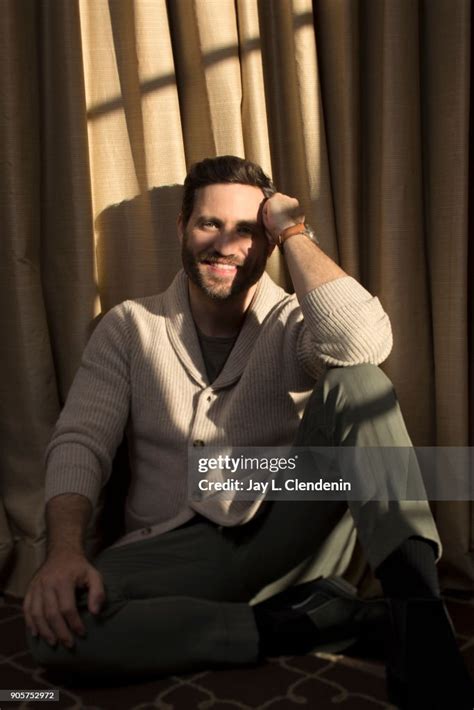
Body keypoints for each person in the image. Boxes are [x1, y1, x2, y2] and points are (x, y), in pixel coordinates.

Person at [24, 156, 472, 707]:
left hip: (282, 515)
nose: (225, 244)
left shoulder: (293, 321)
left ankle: (420, 622)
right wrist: (64, 551)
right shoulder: (129, 327)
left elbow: (364, 344)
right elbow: (80, 442)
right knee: (57, 630)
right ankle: (303, 624)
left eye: (246, 230)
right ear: (183, 228)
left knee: (359, 384)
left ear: (267, 243)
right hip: (171, 545)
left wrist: (292, 229)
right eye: (209, 223)